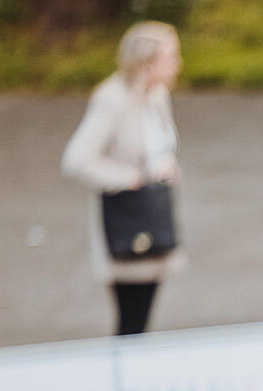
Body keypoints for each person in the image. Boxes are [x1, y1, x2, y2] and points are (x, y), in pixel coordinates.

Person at [61, 21, 184, 336]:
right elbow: (77, 159)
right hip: (127, 221)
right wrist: (130, 177)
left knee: (143, 316)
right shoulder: (112, 100)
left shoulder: (157, 96)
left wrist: (167, 167)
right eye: (171, 56)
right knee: (131, 320)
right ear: (147, 63)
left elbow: (159, 146)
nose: (178, 64)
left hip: (154, 216)